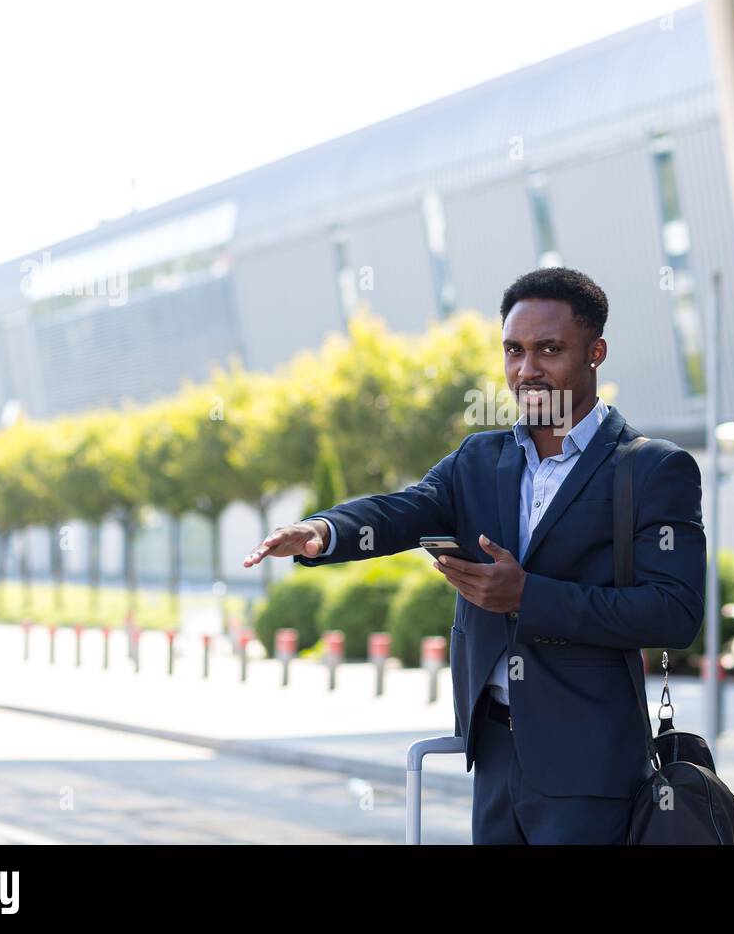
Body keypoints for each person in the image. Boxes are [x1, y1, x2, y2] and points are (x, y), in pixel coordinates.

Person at [243, 267, 706, 843]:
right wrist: (323, 531)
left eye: (549, 350)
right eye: (513, 350)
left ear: (596, 352)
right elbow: (404, 510)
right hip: (493, 755)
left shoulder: (653, 468)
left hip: (591, 769)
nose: (526, 369)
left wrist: (527, 596)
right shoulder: (480, 460)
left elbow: (674, 613)